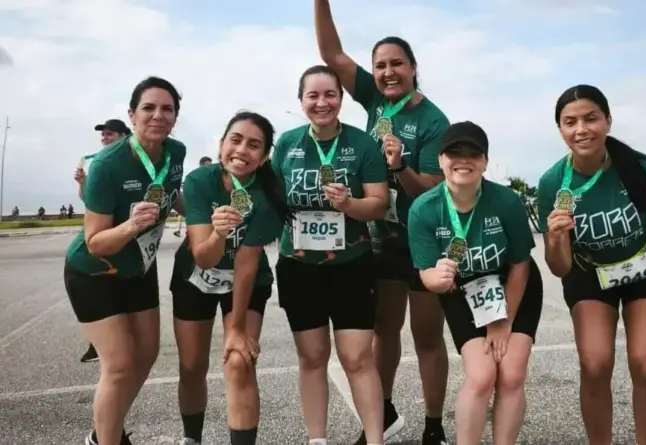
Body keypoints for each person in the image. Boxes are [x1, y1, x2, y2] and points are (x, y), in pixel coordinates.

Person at [313, 2, 450, 443]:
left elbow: (431, 189)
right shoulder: (374, 99)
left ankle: (433, 425)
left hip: (424, 241)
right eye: (380, 66)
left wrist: (400, 165)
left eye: (397, 64)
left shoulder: (433, 120)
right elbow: (333, 56)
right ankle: (384, 414)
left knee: (426, 336)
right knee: (383, 330)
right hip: (383, 238)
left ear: (413, 68)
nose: (388, 72)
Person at [537, 84, 646, 445]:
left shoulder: (639, 168)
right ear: (560, 130)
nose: (581, 129)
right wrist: (555, 238)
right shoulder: (552, 184)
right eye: (570, 122)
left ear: (607, 120)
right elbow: (560, 268)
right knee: (595, 363)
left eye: (591, 118)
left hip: (642, 267)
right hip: (588, 272)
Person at [63, 76, 186, 445]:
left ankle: (105, 431)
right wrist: (132, 225)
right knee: (118, 365)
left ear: (175, 117)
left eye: (167, 109)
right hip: (94, 271)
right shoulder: (107, 165)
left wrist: (204, 216)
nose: (158, 115)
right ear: (132, 115)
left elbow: (173, 194)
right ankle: (107, 440)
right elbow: (95, 241)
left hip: (139, 269)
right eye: (148, 108)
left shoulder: (176, 152)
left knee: (146, 356)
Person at [271, 65, 389, 445]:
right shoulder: (286, 144)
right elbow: (273, 201)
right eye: (313, 95)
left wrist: (349, 205)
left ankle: (375, 440)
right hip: (299, 266)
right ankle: (317, 440)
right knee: (312, 357)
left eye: (330, 95)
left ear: (340, 98)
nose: (322, 103)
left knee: (358, 358)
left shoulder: (362, 144)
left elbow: (378, 204)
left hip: (351, 265)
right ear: (301, 100)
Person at [408, 122, 543, 444]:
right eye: (454, 152)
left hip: (513, 283)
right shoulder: (424, 209)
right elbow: (426, 273)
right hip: (462, 290)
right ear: (440, 159)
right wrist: (436, 279)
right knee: (481, 376)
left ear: (485, 161)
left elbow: (520, 263)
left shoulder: (506, 201)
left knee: (511, 374)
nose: (463, 160)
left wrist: (502, 321)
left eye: (473, 153)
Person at [171, 112, 290, 445]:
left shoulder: (268, 193)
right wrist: (219, 234)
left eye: (254, 145)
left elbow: (247, 263)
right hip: (196, 275)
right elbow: (203, 256)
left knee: (239, 361)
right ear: (221, 144)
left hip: (245, 279)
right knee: (191, 366)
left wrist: (236, 329)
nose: (241, 150)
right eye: (235, 140)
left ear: (264, 156)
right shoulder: (199, 181)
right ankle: (191, 438)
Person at [74, 118, 133, 364]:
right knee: (104, 293)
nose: (104, 138)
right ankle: (99, 345)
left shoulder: (129, 164)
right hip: (101, 239)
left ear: (124, 136)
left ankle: (115, 344)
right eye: (103, 135)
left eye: (110, 134)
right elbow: (87, 200)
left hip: (125, 240)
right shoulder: (99, 164)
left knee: (121, 294)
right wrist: (83, 183)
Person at [174, 156, 213, 238]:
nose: (210, 167)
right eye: (208, 165)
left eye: (211, 165)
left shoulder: (211, 177)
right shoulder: (194, 177)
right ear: (201, 165)